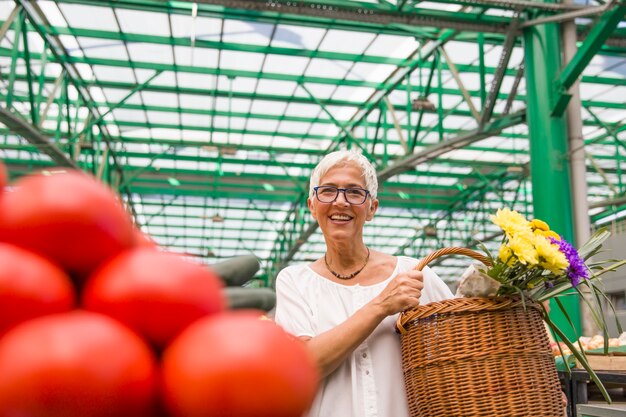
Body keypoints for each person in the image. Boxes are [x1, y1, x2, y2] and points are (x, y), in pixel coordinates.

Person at [273, 150, 453, 417]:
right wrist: (382, 305)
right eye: (328, 191)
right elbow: (305, 363)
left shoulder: (413, 274)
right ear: (313, 205)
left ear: (372, 208)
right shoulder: (295, 281)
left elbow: (461, 337)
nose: (340, 202)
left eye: (355, 192)